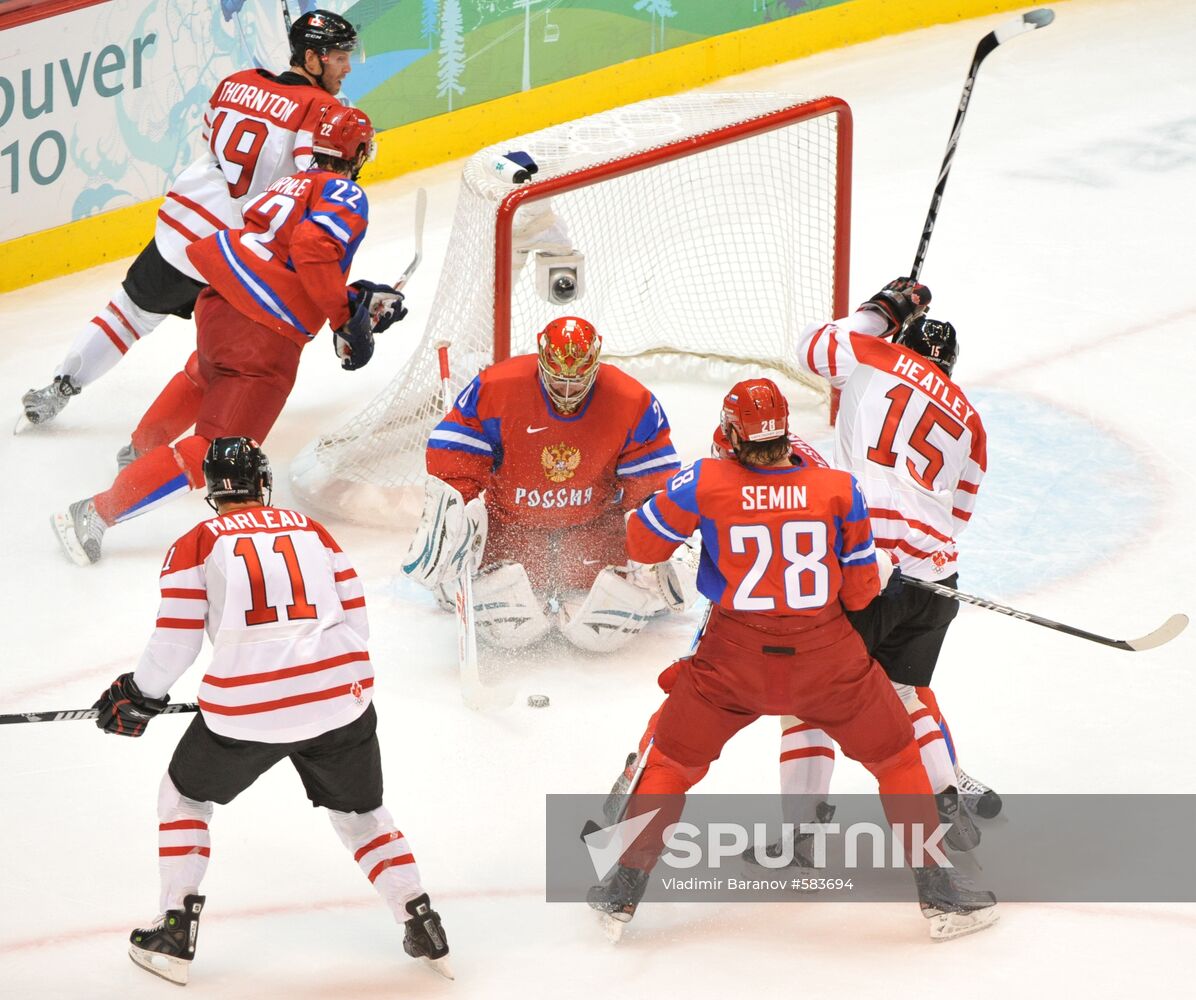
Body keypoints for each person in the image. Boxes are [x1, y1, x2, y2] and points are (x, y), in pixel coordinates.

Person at [585, 378, 998, 941]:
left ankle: (621, 892)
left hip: (731, 661)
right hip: (826, 662)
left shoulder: (706, 480)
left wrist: (684, 512)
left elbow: (641, 544)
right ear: (785, 433)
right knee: (898, 758)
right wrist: (871, 568)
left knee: (672, 766)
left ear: (731, 433)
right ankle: (940, 894)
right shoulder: (837, 488)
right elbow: (857, 598)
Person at [90, 438, 451, 985]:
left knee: (183, 796)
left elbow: (175, 644)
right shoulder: (313, 531)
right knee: (361, 816)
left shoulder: (196, 542)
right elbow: (357, 622)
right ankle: (420, 919)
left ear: (211, 490)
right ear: (263, 483)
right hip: (343, 701)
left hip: (246, 712)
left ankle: (173, 930)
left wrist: (139, 695)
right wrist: (319, 678)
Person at [51, 104, 404, 566]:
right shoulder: (346, 194)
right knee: (219, 452)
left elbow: (284, 255)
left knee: (205, 378)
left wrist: (355, 296)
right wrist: (342, 316)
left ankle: (140, 452)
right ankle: (93, 512)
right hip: (261, 334)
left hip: (220, 301)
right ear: (357, 153)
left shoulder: (289, 183)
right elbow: (312, 249)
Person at [20, 9, 358, 432]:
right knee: (225, 354)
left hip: (185, 229)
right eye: (339, 58)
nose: (346, 67)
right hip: (240, 251)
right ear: (312, 59)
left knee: (127, 315)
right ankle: (155, 444)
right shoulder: (322, 109)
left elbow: (213, 141)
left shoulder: (236, 82)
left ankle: (60, 388)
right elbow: (314, 182)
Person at [789, 277, 1000, 823]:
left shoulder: (874, 354)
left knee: (808, 697)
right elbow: (956, 519)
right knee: (904, 690)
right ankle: (944, 790)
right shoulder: (972, 422)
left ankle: (801, 834)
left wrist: (879, 311)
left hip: (868, 566)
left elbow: (811, 346)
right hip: (935, 575)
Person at [401, 315, 688, 652]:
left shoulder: (631, 401)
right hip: (508, 524)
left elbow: (651, 484)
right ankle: (459, 582)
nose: (567, 391)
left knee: (609, 629)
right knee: (508, 630)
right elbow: (456, 457)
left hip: (592, 528)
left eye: (578, 382)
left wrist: (653, 544)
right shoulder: (497, 388)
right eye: (558, 380)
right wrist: (458, 516)